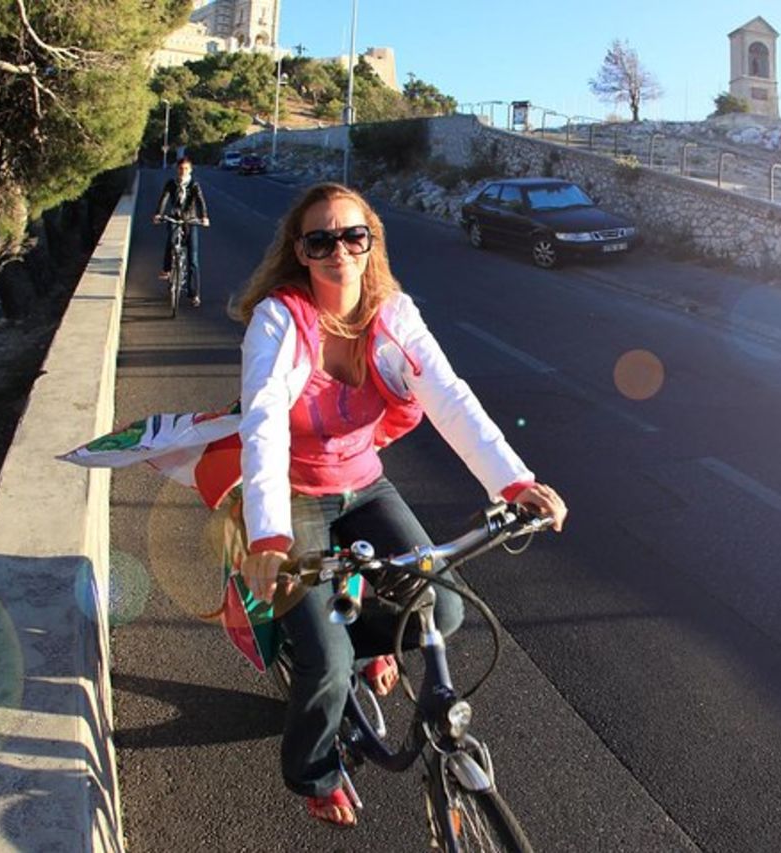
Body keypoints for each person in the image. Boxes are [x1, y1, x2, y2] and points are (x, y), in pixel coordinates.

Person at [231, 182, 568, 828]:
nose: (338, 250)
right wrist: (268, 535)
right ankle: (313, 767)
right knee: (325, 661)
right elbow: (265, 418)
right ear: (300, 251)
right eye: (320, 239)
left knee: (442, 605)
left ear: (370, 244)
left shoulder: (393, 314)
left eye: (352, 236)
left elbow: (448, 393)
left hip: (364, 484)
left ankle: (358, 641)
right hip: (296, 493)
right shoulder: (280, 319)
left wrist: (513, 482)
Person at [152, 156, 210, 307]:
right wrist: (159, 214)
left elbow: (200, 201)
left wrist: (203, 217)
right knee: (171, 241)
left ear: (190, 170)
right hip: (175, 218)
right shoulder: (171, 184)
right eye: (180, 168)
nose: (183, 171)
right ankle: (167, 270)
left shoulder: (194, 185)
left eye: (186, 169)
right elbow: (163, 198)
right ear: (177, 170)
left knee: (193, 259)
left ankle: (194, 294)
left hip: (190, 221)